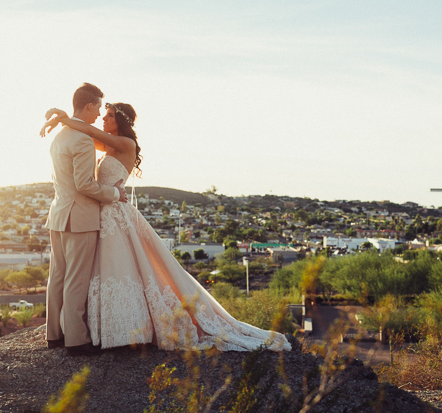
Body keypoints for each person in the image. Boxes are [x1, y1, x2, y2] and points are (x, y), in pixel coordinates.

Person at [41, 103, 291, 352]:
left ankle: (123, 329)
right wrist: (65, 122)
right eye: (103, 114)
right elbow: (86, 134)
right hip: (101, 213)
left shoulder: (125, 144)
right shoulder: (108, 144)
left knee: (120, 267)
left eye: (109, 116)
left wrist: (64, 118)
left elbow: (89, 132)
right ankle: (100, 329)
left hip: (115, 212)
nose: (103, 119)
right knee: (99, 271)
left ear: (122, 121)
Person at [44, 83, 128, 357]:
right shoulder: (81, 139)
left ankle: (53, 335)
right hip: (79, 217)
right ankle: (76, 340)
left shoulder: (61, 136)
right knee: (76, 279)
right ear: (90, 106)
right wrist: (115, 193)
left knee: (57, 275)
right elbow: (85, 185)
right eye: (97, 110)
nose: (98, 117)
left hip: (58, 215)